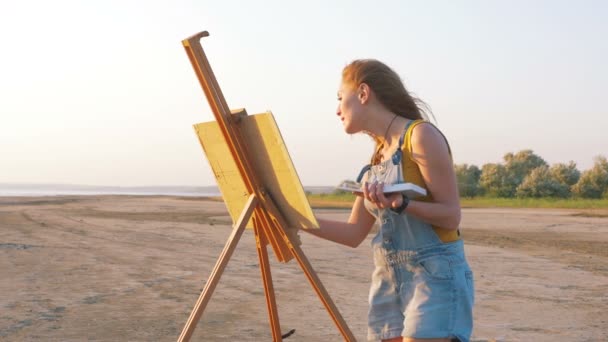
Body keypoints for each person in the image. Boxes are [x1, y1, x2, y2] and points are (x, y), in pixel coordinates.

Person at [302, 59, 474, 342]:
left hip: (434, 276)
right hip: (387, 279)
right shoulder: (376, 159)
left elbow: (451, 215)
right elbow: (353, 233)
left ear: (363, 93)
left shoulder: (420, 136)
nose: (336, 110)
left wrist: (402, 203)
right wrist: (295, 219)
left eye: (339, 98)